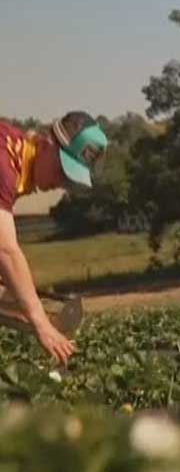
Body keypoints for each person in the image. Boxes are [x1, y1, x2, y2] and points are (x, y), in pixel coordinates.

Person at [0, 112, 107, 364]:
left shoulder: (14, 154)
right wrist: (41, 322)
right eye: (61, 170)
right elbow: (5, 249)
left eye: (68, 179)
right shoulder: (4, 166)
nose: (60, 183)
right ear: (48, 143)